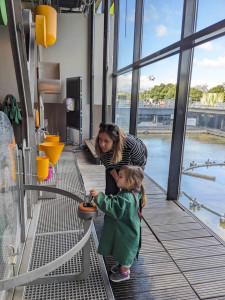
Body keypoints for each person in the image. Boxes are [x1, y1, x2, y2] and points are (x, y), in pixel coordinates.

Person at [90, 165, 146, 282]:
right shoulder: (130, 193)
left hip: (128, 233)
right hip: (126, 229)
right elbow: (116, 202)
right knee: (121, 249)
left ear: (130, 182)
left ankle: (125, 271)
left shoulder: (127, 198)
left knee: (126, 253)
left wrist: (99, 197)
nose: (117, 178)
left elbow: (113, 207)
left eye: (120, 176)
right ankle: (122, 266)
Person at [95, 123, 147, 195]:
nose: (102, 144)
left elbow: (138, 168)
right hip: (113, 164)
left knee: (132, 192)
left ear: (115, 141)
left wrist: (126, 184)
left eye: (106, 141)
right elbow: (110, 167)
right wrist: (118, 180)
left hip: (133, 165)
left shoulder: (132, 145)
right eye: (100, 139)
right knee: (110, 191)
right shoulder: (100, 147)